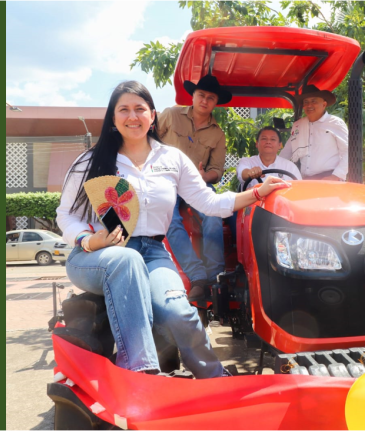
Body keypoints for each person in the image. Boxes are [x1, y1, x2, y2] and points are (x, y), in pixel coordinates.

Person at [56, 81, 290, 378]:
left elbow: (210, 202)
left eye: (140, 109)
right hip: (97, 255)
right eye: (124, 109)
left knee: (178, 312)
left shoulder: (172, 159)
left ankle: (214, 378)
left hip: (153, 252)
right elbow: (65, 215)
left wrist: (257, 193)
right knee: (126, 260)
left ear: (152, 115)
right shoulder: (91, 160)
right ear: (113, 118)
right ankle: (142, 375)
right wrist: (88, 240)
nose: (133, 116)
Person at [158, 75, 231, 301]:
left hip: (197, 183)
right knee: (169, 217)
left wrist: (203, 175)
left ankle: (216, 276)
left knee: (215, 213)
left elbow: (217, 171)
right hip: (165, 179)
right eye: (201, 95)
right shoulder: (170, 114)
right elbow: (148, 142)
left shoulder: (218, 134)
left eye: (211, 98)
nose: (205, 100)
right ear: (193, 95)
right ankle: (197, 276)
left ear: (215, 102)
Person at [279, 85, 348, 180]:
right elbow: (286, 152)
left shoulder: (335, 123)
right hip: (305, 181)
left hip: (330, 179)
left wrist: (335, 177)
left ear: (324, 104)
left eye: (313, 101)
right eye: (306, 102)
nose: (309, 105)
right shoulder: (299, 126)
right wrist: (273, 169)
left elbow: (348, 153)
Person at [237, 126, 302, 189]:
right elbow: (242, 174)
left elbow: (299, 189)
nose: (268, 142)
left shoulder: (290, 167)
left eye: (273, 139)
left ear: (280, 145)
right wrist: (250, 173)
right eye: (264, 139)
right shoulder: (247, 162)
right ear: (257, 143)